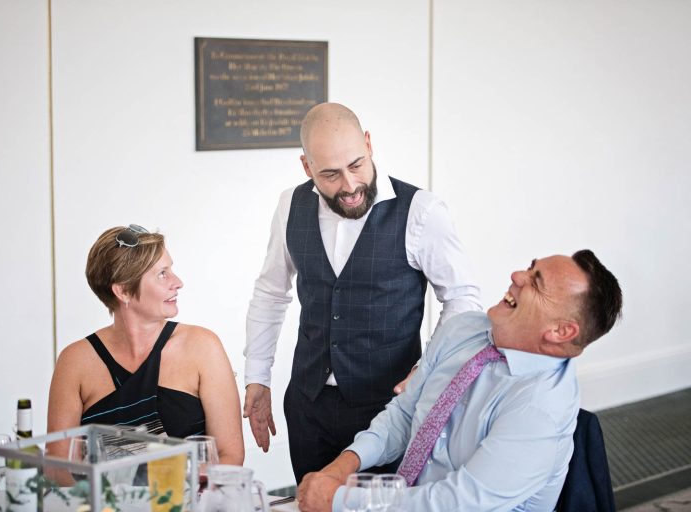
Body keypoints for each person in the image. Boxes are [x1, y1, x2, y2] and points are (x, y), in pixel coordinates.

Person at [243, 102, 482, 483]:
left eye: (356, 165)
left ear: (368, 144)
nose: (350, 186)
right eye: (331, 174)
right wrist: (258, 376)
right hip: (308, 405)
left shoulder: (421, 211)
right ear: (307, 167)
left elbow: (463, 298)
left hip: (389, 409)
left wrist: (429, 366)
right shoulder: (291, 204)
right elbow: (271, 292)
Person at [296, 250, 623, 512]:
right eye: (530, 267)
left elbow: (460, 502)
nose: (516, 276)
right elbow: (404, 414)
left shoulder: (541, 409)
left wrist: (339, 501)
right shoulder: (464, 330)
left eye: (535, 282)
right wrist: (345, 463)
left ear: (560, 332)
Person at [48, 225, 244, 465]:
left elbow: (229, 456)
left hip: (191, 500)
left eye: (171, 270)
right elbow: (58, 466)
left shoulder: (203, 347)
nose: (178, 282)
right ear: (123, 291)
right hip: (105, 502)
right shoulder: (74, 362)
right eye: (162, 274)